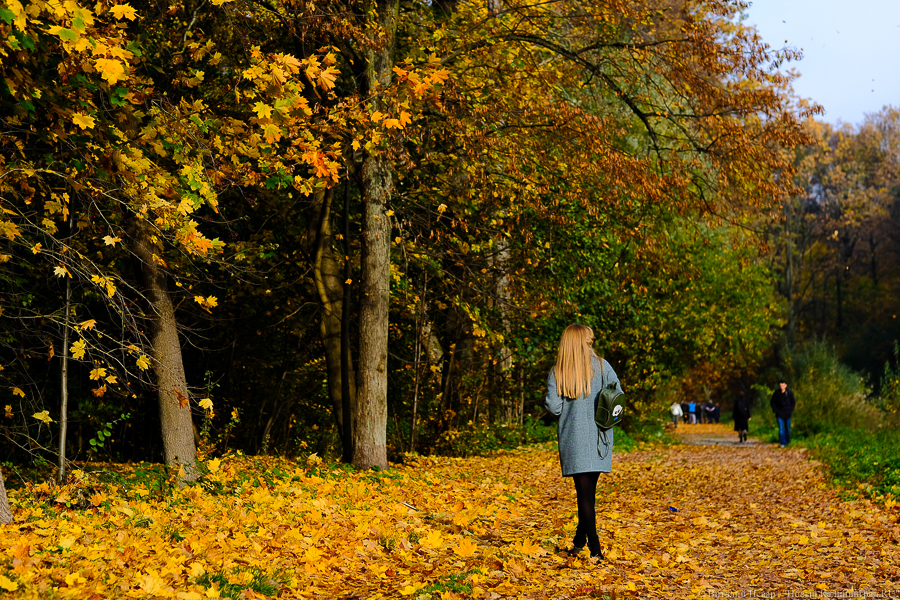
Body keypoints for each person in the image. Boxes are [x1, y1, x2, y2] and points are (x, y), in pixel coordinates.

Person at [544, 324, 622, 560]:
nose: (592, 342)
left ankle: (594, 548)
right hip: (600, 438)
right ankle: (580, 538)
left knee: (584, 495)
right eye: (590, 339)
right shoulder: (602, 365)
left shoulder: (559, 371)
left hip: (574, 439)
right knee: (588, 494)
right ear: (584, 341)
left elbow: (554, 407)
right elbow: (617, 394)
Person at [770, 379, 796, 447]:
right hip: (779, 414)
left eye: (783, 384)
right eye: (780, 385)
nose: (782, 386)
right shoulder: (776, 393)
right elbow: (772, 402)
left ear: (786, 385)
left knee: (788, 428)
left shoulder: (789, 393)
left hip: (788, 414)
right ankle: (782, 442)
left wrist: (791, 410)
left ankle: (787, 441)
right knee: (781, 429)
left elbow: (793, 402)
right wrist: (775, 410)